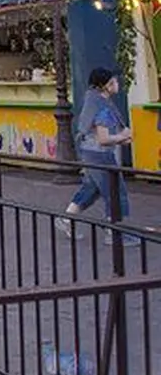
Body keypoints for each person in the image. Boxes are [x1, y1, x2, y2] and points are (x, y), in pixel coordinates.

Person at [57, 68, 136, 244]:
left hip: (89, 151)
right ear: (105, 86)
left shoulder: (92, 100)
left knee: (92, 188)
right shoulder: (103, 108)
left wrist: (119, 139)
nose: (117, 84)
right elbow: (103, 138)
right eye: (113, 82)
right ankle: (113, 232)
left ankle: (66, 219)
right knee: (115, 190)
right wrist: (122, 137)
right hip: (101, 154)